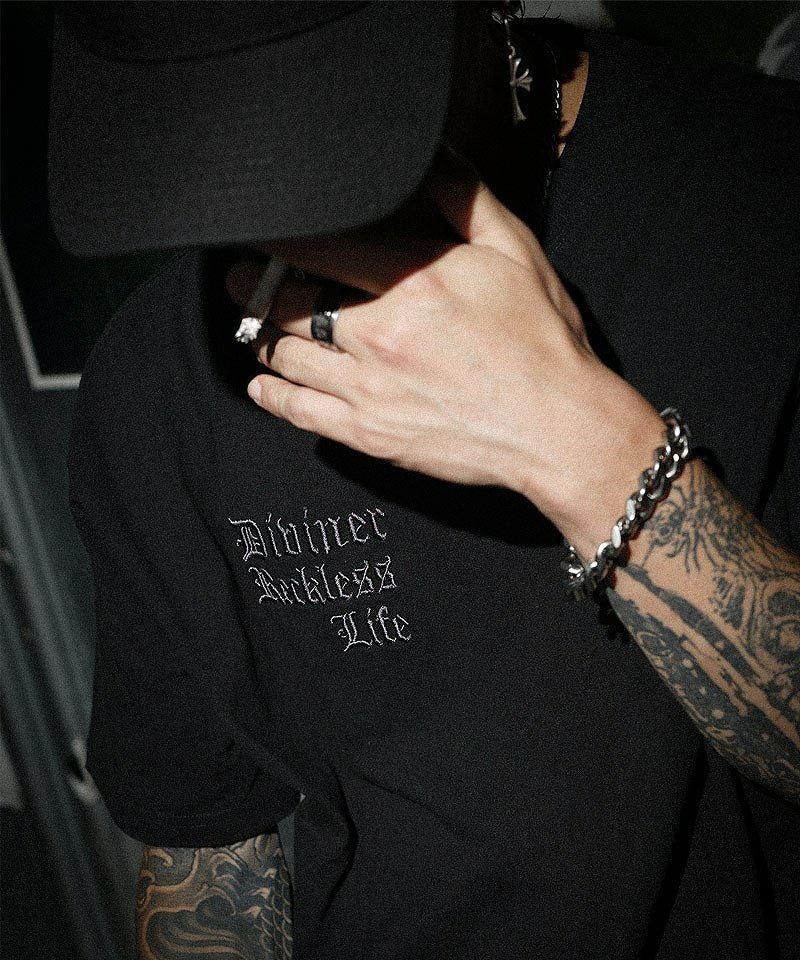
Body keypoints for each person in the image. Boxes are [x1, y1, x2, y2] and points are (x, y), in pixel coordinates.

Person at [50, 2, 800, 958]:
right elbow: (211, 857)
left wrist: (570, 435)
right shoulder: (152, 382)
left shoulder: (763, 189)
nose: (266, 199)